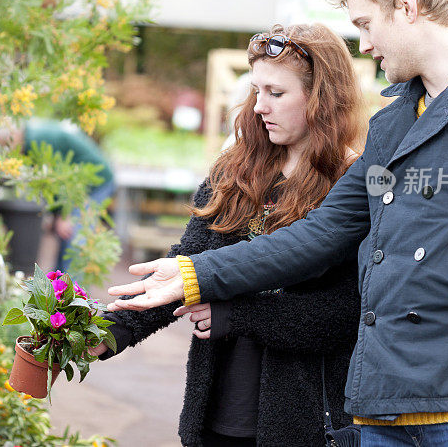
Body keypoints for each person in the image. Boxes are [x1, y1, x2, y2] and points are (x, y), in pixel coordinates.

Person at [106, 0, 448, 447]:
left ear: (407, 5)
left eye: (364, 24)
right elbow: (322, 233)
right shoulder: (395, 122)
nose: (363, 44)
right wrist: (195, 271)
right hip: (382, 411)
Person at [91, 23, 365, 446]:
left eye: (276, 93)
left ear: (322, 97)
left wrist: (238, 316)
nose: (259, 107)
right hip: (218, 412)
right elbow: (187, 266)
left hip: (301, 422)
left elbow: (346, 315)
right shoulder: (234, 171)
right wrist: (108, 334)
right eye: (256, 91)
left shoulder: (351, 183)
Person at [0, 118, 115, 271]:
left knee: (75, 239)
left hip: (96, 181)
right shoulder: (33, 135)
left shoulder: (38, 142)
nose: (9, 154)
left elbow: (61, 179)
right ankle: (60, 288)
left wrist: (64, 214)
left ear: (13, 137)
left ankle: (74, 292)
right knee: (66, 237)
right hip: (79, 182)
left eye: (7, 146)